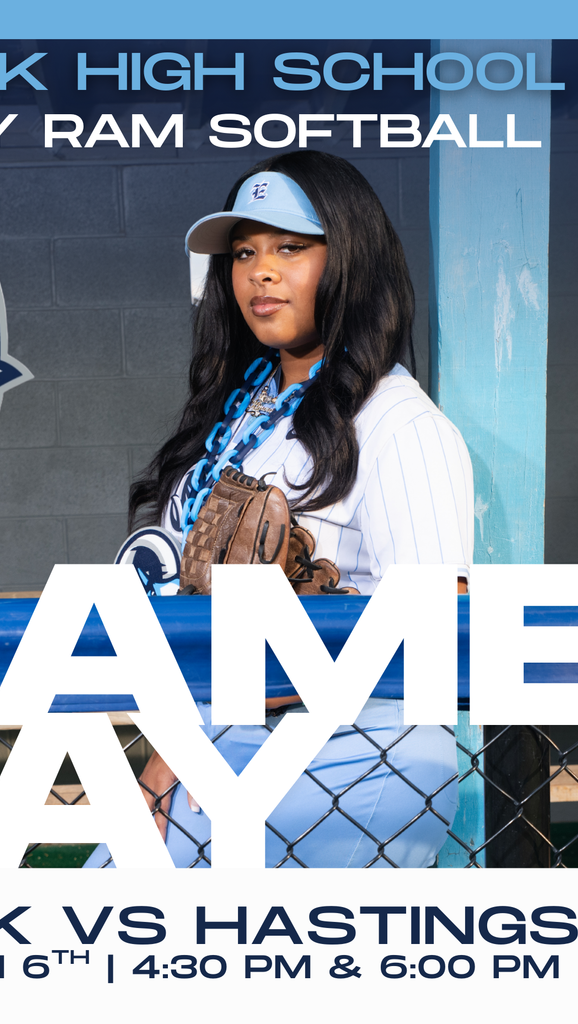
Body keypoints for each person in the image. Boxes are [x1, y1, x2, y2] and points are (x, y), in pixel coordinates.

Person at [86, 150, 473, 869]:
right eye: (243, 252)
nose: (259, 271)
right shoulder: (240, 412)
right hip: (227, 741)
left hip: (359, 753)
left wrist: (306, 630)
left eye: (290, 248)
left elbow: (440, 621)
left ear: (350, 259)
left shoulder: (396, 422)